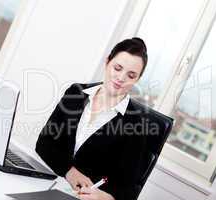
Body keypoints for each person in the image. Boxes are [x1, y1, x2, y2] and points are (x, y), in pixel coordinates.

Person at [36, 37, 148, 200]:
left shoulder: (137, 125)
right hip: (47, 185)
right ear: (107, 62)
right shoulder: (76, 93)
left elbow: (129, 192)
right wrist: (69, 171)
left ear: (137, 79)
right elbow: (44, 143)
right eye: (117, 68)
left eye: (131, 75)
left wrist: (105, 197)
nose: (121, 78)